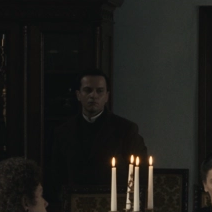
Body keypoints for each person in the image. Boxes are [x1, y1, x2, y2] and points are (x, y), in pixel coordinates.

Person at [48, 69, 147, 200]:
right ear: (78, 95)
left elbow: (141, 172)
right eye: (87, 90)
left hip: (114, 203)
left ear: (106, 96)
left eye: (99, 91)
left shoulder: (126, 130)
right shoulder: (63, 132)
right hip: (74, 203)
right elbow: (56, 176)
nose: (93, 95)